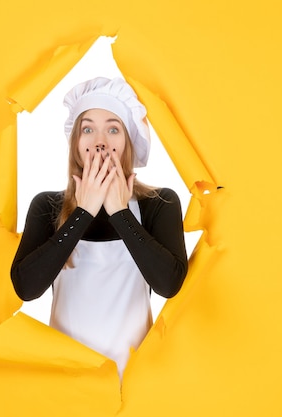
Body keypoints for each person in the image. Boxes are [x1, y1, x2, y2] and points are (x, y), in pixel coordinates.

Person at [11, 76, 188, 380]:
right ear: (76, 144)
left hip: (135, 386)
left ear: (129, 142)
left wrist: (119, 211)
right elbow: (26, 289)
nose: (100, 140)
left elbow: (168, 285)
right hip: (67, 383)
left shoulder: (158, 204)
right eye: (88, 128)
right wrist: (83, 212)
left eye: (113, 128)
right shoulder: (47, 206)